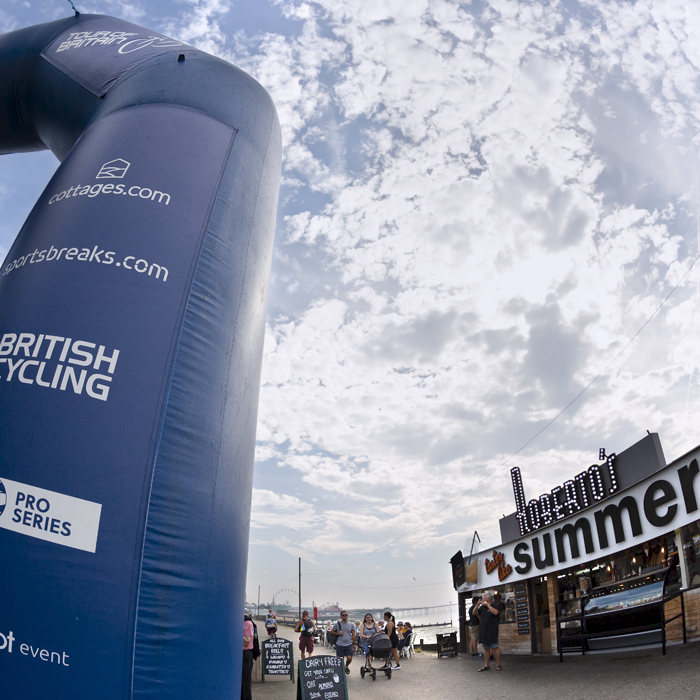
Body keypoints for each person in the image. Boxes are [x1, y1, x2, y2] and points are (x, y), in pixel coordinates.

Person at [477, 592, 502, 671]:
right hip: (484, 630)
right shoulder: (482, 607)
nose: (482, 599)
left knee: (495, 647)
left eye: (483, 598)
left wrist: (488, 605)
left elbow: (496, 612)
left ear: (487, 599)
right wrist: (478, 605)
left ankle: (498, 665)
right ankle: (486, 665)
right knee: (486, 648)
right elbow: (474, 613)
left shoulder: (495, 605)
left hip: (492, 630)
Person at [328, 610, 357, 674]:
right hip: (339, 644)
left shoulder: (351, 624)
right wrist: (338, 633)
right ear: (341, 616)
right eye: (343, 615)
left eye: (346, 615)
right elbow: (332, 632)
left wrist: (354, 643)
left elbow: (354, 634)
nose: (345, 616)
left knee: (349, 658)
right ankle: (342, 669)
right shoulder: (337, 624)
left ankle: (346, 666)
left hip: (348, 643)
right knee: (341, 659)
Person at [242, 615, 254, 700]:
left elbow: (247, 641)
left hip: (245, 653)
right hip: (237, 653)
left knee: (245, 679)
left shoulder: (248, 623)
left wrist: (237, 629)